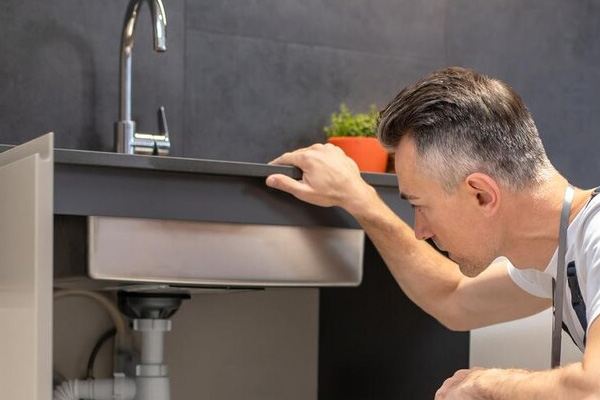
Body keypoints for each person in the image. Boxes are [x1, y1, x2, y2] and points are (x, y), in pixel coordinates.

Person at [265, 67, 600, 399]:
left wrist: (486, 385)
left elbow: (594, 387)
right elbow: (453, 297)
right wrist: (359, 199)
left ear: (481, 195)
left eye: (420, 205)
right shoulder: (553, 252)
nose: (420, 231)